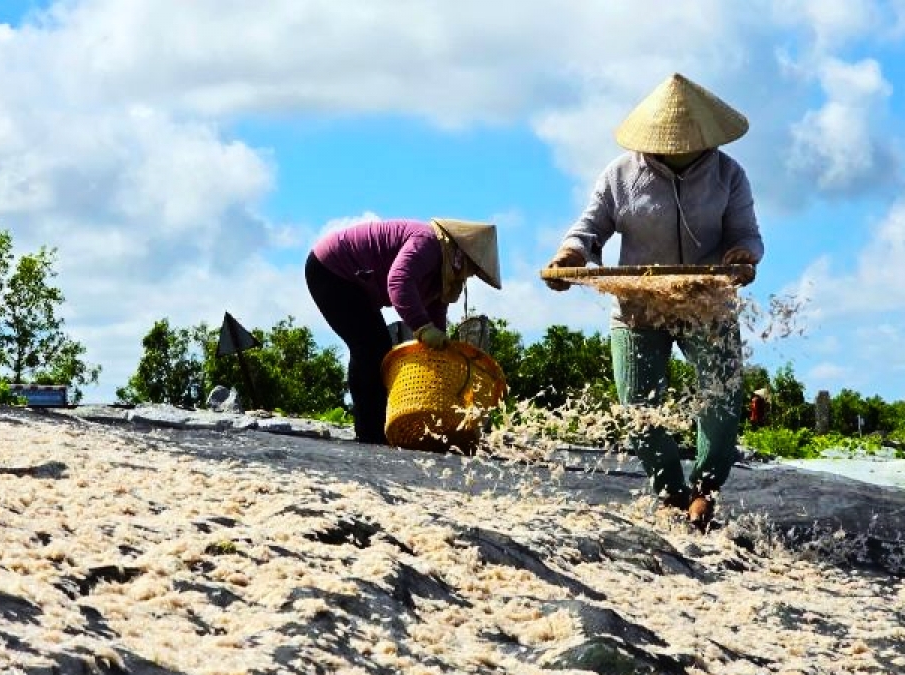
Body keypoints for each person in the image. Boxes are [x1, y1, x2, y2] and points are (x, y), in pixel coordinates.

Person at [542, 73, 764, 530]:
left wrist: (743, 257)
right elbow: (588, 230)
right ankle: (670, 492)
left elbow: (746, 235)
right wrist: (571, 255)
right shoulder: (620, 175)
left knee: (720, 403)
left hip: (707, 303)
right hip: (638, 305)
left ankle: (705, 490)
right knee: (639, 405)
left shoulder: (728, 174)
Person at [306, 218, 500, 445]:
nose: (469, 274)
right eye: (472, 267)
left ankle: (374, 430)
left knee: (372, 346)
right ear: (460, 254)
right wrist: (422, 327)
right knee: (371, 347)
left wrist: (438, 345)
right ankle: (370, 433)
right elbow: (399, 281)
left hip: (356, 283)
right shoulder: (428, 243)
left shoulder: (441, 274)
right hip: (332, 270)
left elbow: (435, 309)